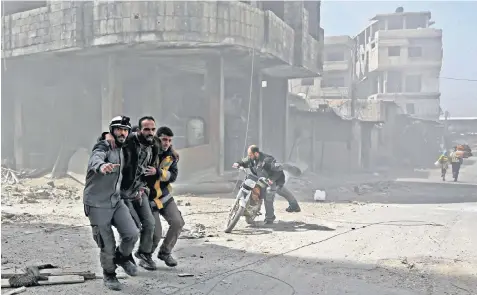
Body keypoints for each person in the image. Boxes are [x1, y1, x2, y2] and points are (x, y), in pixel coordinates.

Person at [83, 116, 139, 291]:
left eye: (125, 130)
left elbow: (145, 141)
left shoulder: (123, 148)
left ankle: (122, 257)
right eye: (118, 129)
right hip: (97, 204)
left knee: (132, 233)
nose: (122, 133)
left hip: (116, 201)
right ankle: (109, 274)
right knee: (107, 244)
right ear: (112, 131)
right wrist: (101, 166)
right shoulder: (104, 146)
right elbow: (96, 158)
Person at [102, 116, 159, 271]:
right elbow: (114, 139)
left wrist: (153, 174)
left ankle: (144, 254)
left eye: (153, 129)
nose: (150, 132)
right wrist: (106, 136)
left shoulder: (154, 144)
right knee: (133, 226)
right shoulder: (129, 141)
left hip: (140, 190)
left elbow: (155, 162)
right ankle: (123, 255)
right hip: (124, 192)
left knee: (150, 223)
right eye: (146, 129)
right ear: (139, 130)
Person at [232, 145, 301, 224]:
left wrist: (272, 180)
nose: (249, 156)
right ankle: (294, 206)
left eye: (250, 155)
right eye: (249, 155)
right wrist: (237, 163)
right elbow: (243, 161)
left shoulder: (267, 160)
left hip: (274, 180)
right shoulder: (251, 158)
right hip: (262, 180)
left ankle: (270, 218)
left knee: (269, 193)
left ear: (256, 154)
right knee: (257, 188)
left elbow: (278, 170)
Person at [146, 126, 184, 267]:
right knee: (156, 233)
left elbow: (173, 176)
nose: (166, 143)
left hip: (165, 197)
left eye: (169, 140)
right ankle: (146, 256)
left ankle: (165, 252)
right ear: (157, 138)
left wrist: (158, 172)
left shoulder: (172, 156)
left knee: (177, 222)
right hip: (149, 199)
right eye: (164, 139)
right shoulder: (147, 151)